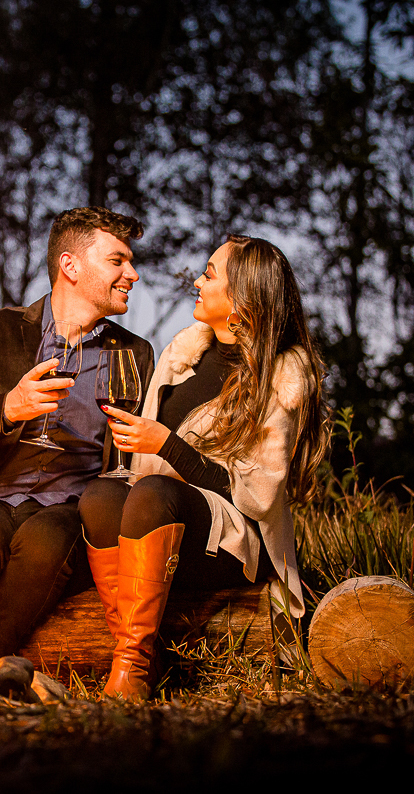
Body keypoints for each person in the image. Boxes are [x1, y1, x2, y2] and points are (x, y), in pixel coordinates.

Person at [79, 235, 328, 699]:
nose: (197, 280)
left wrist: (169, 447)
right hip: (165, 521)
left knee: (154, 493)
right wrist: (143, 444)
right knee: (100, 496)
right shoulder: (183, 355)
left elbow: (255, 497)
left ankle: (131, 670)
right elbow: (145, 464)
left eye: (210, 274)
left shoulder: (279, 378)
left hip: (235, 541)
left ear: (242, 299)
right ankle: (136, 651)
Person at [0, 207, 155, 664]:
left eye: (130, 261)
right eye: (117, 261)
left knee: (48, 544)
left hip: (70, 508)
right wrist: (7, 409)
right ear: (70, 265)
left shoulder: (134, 353)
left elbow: (132, 459)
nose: (133, 273)